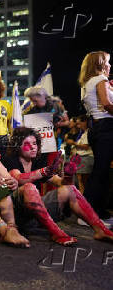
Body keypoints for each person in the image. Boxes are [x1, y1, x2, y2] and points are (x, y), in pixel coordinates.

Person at [2, 127, 113, 245]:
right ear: (18, 146)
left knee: (70, 189)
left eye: (34, 143)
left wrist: (68, 176)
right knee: (29, 187)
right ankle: (56, 232)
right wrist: (44, 171)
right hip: (15, 215)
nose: (33, 147)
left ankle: (100, 230)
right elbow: (18, 178)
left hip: (34, 217)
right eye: (27, 144)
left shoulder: (37, 161)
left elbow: (61, 183)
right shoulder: (10, 159)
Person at [79, 51, 113, 224]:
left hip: (96, 128)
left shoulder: (87, 83)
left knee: (102, 171)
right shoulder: (101, 80)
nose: (110, 65)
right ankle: (88, 213)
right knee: (101, 171)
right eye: (107, 62)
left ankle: (97, 211)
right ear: (100, 64)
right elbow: (107, 104)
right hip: (106, 127)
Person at [69, 115, 93, 193]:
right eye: (77, 124)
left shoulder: (88, 132)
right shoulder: (83, 133)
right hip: (82, 158)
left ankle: (85, 198)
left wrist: (73, 143)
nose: (78, 126)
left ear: (85, 122)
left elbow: (86, 147)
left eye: (79, 123)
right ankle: (83, 197)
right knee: (80, 180)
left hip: (86, 158)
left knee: (83, 181)